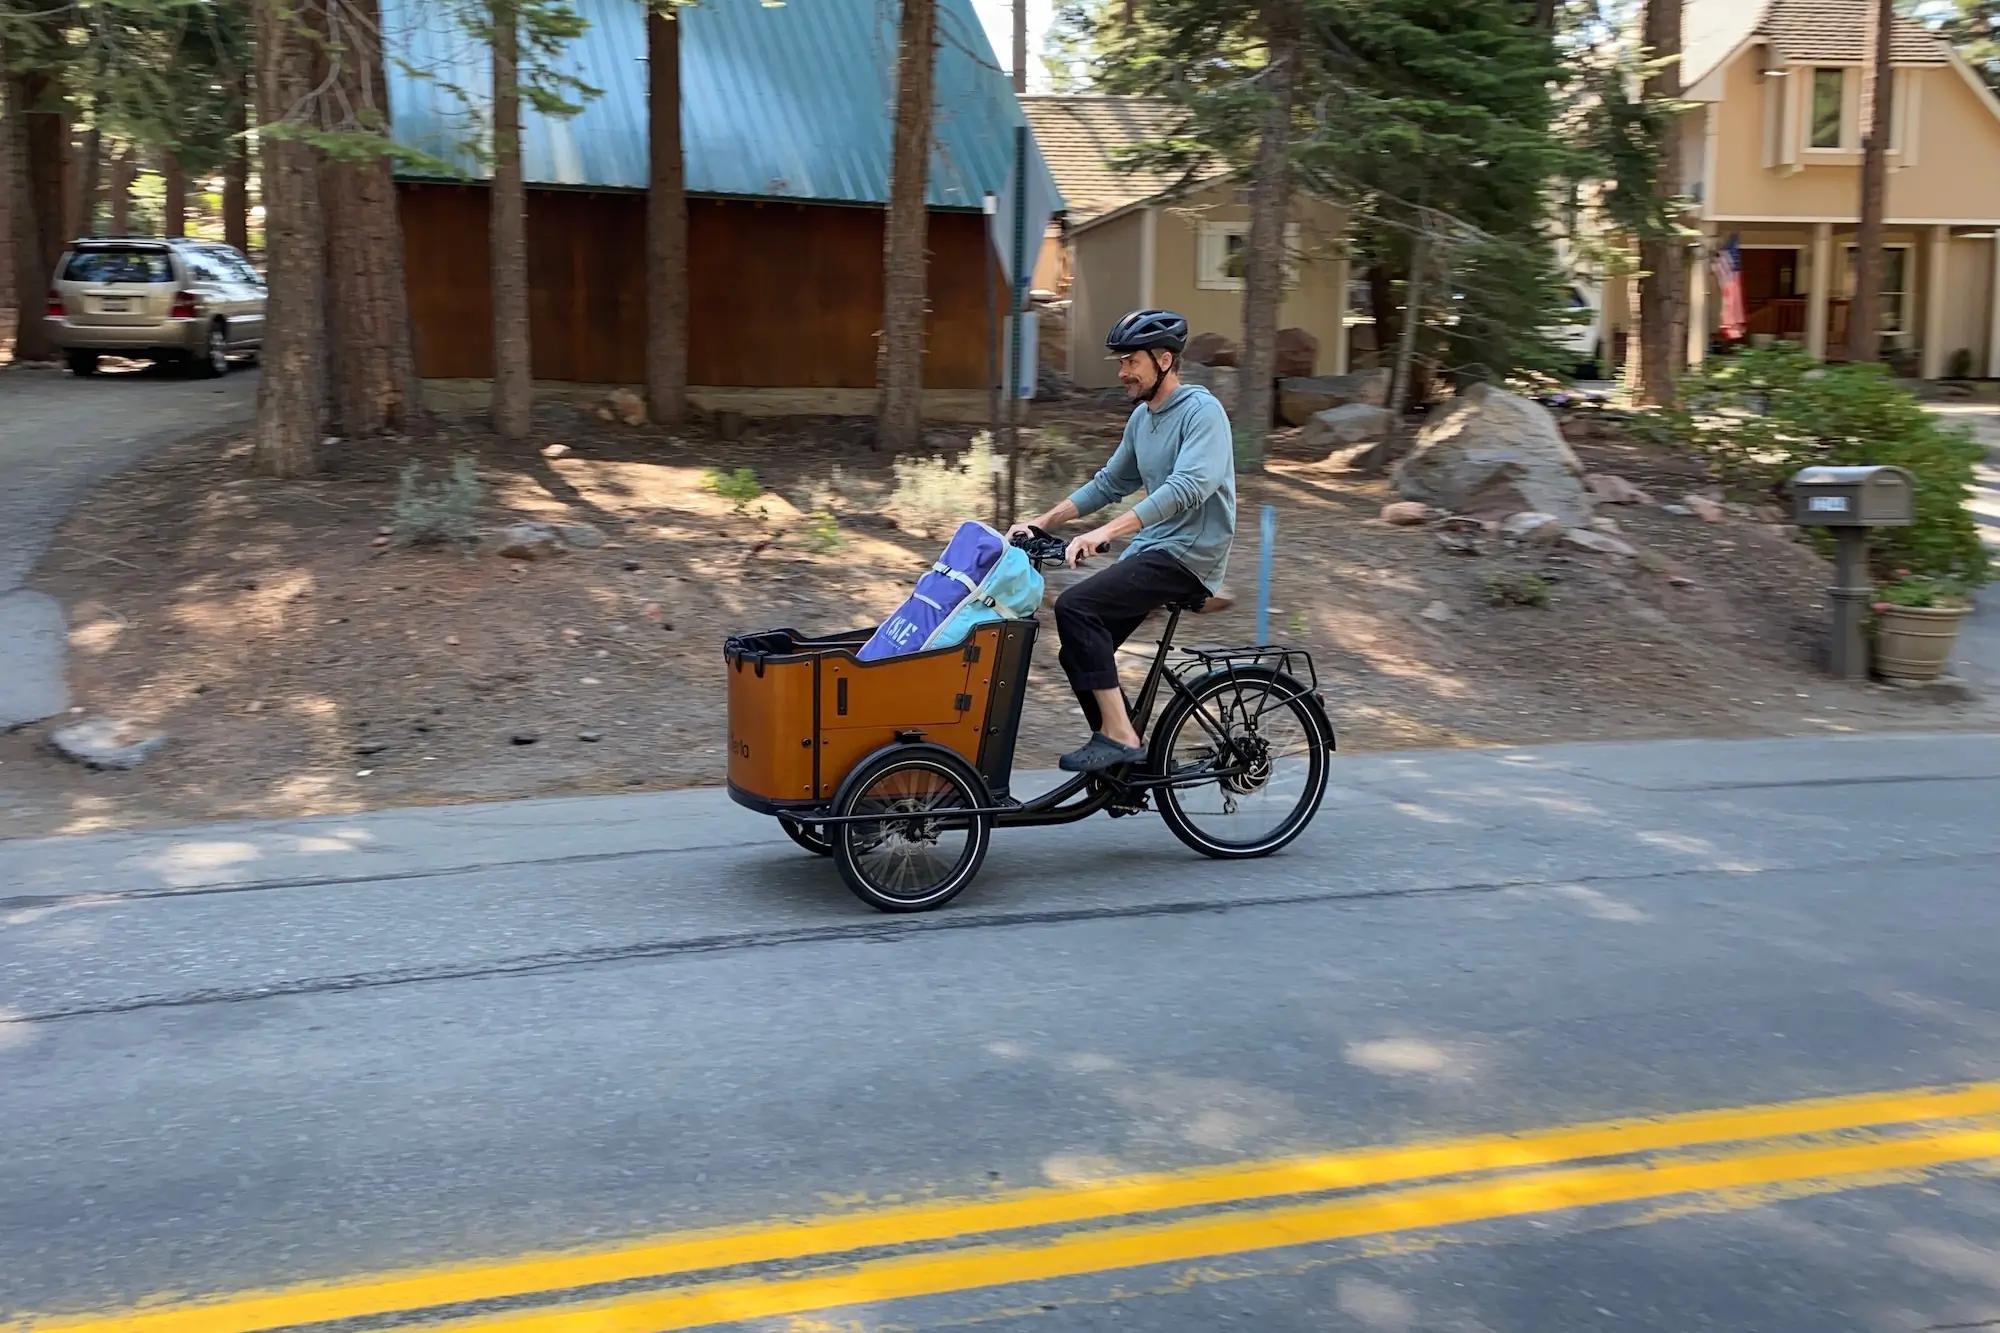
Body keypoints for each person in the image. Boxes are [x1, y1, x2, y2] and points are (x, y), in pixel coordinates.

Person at [1007, 309, 1237, 773]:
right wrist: (1044, 521)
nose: (1123, 373)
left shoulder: (1201, 413)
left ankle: (1120, 738)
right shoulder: (1143, 419)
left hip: (1189, 554)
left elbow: (1187, 487)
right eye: (1121, 363)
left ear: (1165, 360)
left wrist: (1106, 531)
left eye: (1131, 361)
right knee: (1079, 647)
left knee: (1076, 607)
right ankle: (1123, 757)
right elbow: (1109, 482)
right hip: (1154, 549)